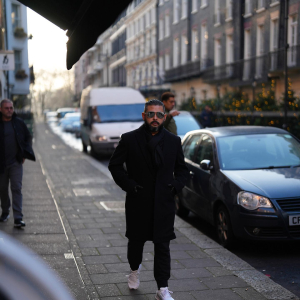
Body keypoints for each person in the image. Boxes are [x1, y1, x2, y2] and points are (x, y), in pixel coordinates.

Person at [108, 99, 188, 300]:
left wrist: (175, 187)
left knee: (163, 246)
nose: (155, 118)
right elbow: (115, 166)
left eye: (159, 115)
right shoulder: (129, 139)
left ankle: (162, 288)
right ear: (144, 116)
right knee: (136, 243)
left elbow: (182, 171)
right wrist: (130, 186)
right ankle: (134, 270)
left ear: (164, 117)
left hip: (164, 203)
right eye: (151, 114)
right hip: (138, 202)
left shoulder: (173, 141)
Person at [0, 99, 35, 227]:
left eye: (11, 108)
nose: (9, 110)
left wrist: (25, 153)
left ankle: (18, 218)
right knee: (2, 189)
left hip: (16, 162)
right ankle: (5, 211)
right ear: (1, 109)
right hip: (1, 164)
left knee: (16, 188)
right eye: (6, 108)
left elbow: (28, 136)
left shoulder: (18, 123)